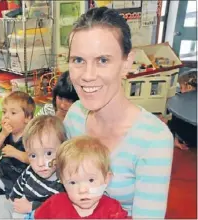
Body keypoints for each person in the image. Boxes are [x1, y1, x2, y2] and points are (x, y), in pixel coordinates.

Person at [63, 7, 173, 219]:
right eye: (78, 60)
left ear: (127, 63)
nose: (87, 75)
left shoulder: (153, 139)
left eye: (103, 60)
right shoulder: (75, 116)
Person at [0, 115, 66, 219]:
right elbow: (20, 184)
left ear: (63, 149)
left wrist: (32, 207)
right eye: (33, 155)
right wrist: (13, 198)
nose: (40, 163)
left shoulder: (64, 182)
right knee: (2, 203)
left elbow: (59, 209)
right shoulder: (31, 170)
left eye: (49, 153)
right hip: (21, 208)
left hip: (38, 214)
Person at [33, 136, 128, 219]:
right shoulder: (53, 205)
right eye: (73, 183)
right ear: (62, 181)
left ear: (106, 179)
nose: (82, 190)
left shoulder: (112, 210)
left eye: (91, 180)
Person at [0, 91, 34, 193]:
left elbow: (35, 160)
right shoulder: (6, 132)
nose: (6, 116)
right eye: (4, 112)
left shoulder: (32, 137)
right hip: (5, 169)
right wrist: (3, 134)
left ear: (28, 118)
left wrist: (16, 153)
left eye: (13, 113)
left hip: (23, 176)